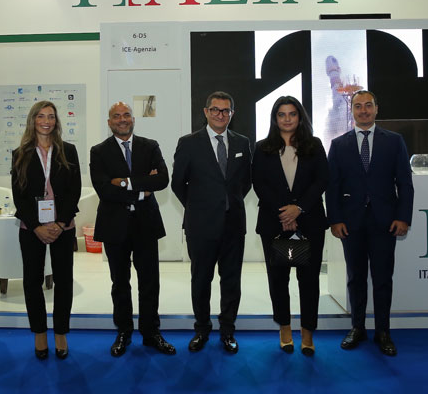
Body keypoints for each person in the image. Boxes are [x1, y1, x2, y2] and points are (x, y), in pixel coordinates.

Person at [326, 90, 413, 356]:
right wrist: (335, 220)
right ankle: (358, 328)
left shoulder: (394, 141)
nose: (363, 110)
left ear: (376, 109)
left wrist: (403, 217)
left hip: (385, 222)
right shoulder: (338, 145)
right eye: (358, 106)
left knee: (383, 279)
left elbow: (404, 183)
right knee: (355, 278)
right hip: (350, 224)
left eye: (368, 105)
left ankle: (383, 332)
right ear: (351, 110)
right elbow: (332, 187)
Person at [90, 102, 176, 357]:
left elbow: (162, 179)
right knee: (120, 282)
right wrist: (141, 190)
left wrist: (124, 182)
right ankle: (124, 331)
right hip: (114, 226)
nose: (122, 119)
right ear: (109, 122)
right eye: (116, 116)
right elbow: (103, 189)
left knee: (150, 282)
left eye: (126, 114)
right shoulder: (99, 151)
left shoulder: (150, 146)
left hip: (145, 225)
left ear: (133, 119)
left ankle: (151, 333)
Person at [171, 91, 252, 354]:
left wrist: (227, 204)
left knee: (231, 282)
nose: (220, 115)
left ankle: (227, 331)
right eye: (215, 110)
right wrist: (199, 207)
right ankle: (202, 329)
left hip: (233, 226)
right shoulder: (188, 143)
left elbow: (245, 182)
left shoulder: (242, 143)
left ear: (232, 114)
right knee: (201, 281)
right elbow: (178, 183)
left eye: (225, 110)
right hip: (200, 226)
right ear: (206, 112)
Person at [252, 96, 328, 356]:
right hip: (275, 224)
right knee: (279, 279)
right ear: (275, 118)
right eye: (281, 114)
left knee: (309, 280)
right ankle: (285, 328)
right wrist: (285, 213)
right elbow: (259, 184)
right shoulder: (263, 148)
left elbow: (322, 180)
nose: (287, 119)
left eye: (292, 114)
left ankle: (307, 333)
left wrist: (299, 208)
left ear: (300, 117)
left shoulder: (314, 145)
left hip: (310, 223)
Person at [11, 100, 81, 360]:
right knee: (32, 281)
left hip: (63, 226)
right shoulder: (20, 153)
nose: (46, 121)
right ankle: (39, 333)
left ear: (56, 121)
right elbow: (18, 196)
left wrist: (60, 223)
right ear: (33, 120)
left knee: (64, 280)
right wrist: (37, 226)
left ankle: (60, 332)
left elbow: (75, 190)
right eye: (41, 116)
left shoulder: (68, 151)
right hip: (32, 228)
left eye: (51, 116)